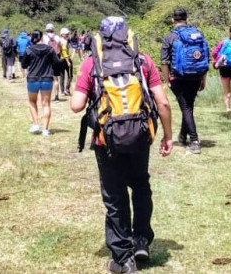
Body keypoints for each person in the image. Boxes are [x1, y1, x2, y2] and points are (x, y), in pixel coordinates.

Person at [70, 17, 173, 274]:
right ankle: (141, 241)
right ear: (127, 35)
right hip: (139, 136)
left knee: (115, 196)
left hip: (106, 141)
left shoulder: (92, 62)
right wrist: (168, 136)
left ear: (102, 37)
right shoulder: (144, 61)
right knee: (140, 186)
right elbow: (163, 103)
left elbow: (76, 105)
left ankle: (123, 257)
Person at [160, 8, 209, 154]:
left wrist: (167, 78)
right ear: (187, 19)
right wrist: (203, 78)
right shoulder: (197, 34)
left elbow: (164, 61)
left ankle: (194, 141)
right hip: (196, 75)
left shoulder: (169, 36)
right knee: (188, 105)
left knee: (185, 107)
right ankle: (182, 136)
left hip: (178, 77)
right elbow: (204, 57)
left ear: (172, 20)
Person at [22, 29, 59, 136]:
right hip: (47, 78)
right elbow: (56, 62)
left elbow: (24, 65)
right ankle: (45, 130)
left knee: (32, 102)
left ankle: (36, 124)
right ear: (42, 37)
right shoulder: (50, 49)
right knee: (46, 104)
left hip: (33, 79)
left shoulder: (29, 50)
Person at [43, 23, 65, 102]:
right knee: (56, 79)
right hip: (56, 59)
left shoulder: (44, 37)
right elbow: (60, 49)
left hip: (47, 59)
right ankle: (56, 97)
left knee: (47, 79)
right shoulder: (57, 37)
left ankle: (47, 96)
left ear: (46, 30)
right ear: (53, 29)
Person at [59, 27, 73, 96]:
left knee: (62, 76)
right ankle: (67, 89)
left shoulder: (59, 40)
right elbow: (64, 52)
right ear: (62, 34)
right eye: (66, 34)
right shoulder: (64, 41)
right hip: (65, 59)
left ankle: (62, 91)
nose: (67, 34)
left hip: (60, 60)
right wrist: (68, 61)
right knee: (70, 75)